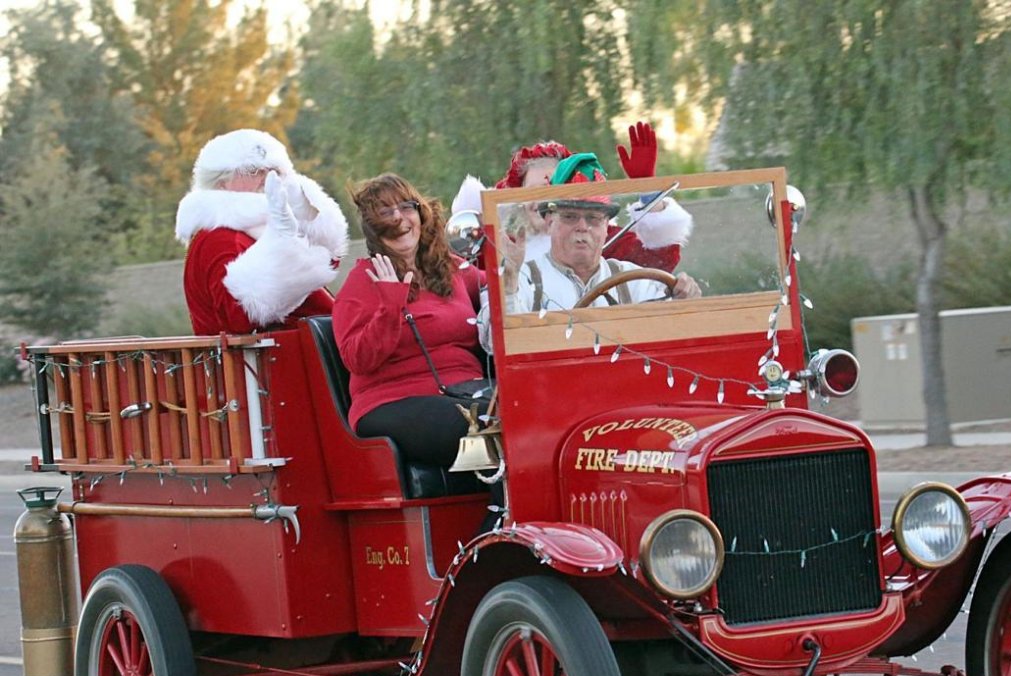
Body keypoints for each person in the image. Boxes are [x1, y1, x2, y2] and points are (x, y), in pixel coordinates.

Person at [332, 173, 488, 468]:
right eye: (385, 212)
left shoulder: (449, 268)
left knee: (525, 409)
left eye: (406, 207)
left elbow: (499, 289)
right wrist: (390, 305)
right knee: (487, 423)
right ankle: (504, 502)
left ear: (420, 213)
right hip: (392, 400)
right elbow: (357, 359)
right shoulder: (364, 280)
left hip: (466, 389)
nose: (398, 219)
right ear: (373, 228)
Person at [450, 122, 692, 271]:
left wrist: (648, 189)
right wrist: (477, 219)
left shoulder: (596, 236)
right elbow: (463, 271)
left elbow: (659, 262)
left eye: (551, 190)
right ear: (519, 200)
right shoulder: (506, 248)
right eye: (533, 191)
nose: (541, 201)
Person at [175, 129, 349, 334]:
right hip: (275, 352)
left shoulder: (257, 226)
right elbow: (241, 315)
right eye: (252, 170)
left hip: (304, 344)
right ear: (222, 183)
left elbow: (328, 263)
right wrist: (283, 245)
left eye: (274, 170)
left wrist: (308, 220)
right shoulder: (219, 237)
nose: (267, 177)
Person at [500, 154, 701, 314]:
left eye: (593, 218)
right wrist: (508, 287)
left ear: (606, 226)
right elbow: (496, 340)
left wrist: (685, 300)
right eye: (570, 216)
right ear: (550, 220)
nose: (582, 227)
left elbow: (674, 331)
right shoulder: (522, 278)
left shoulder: (633, 279)